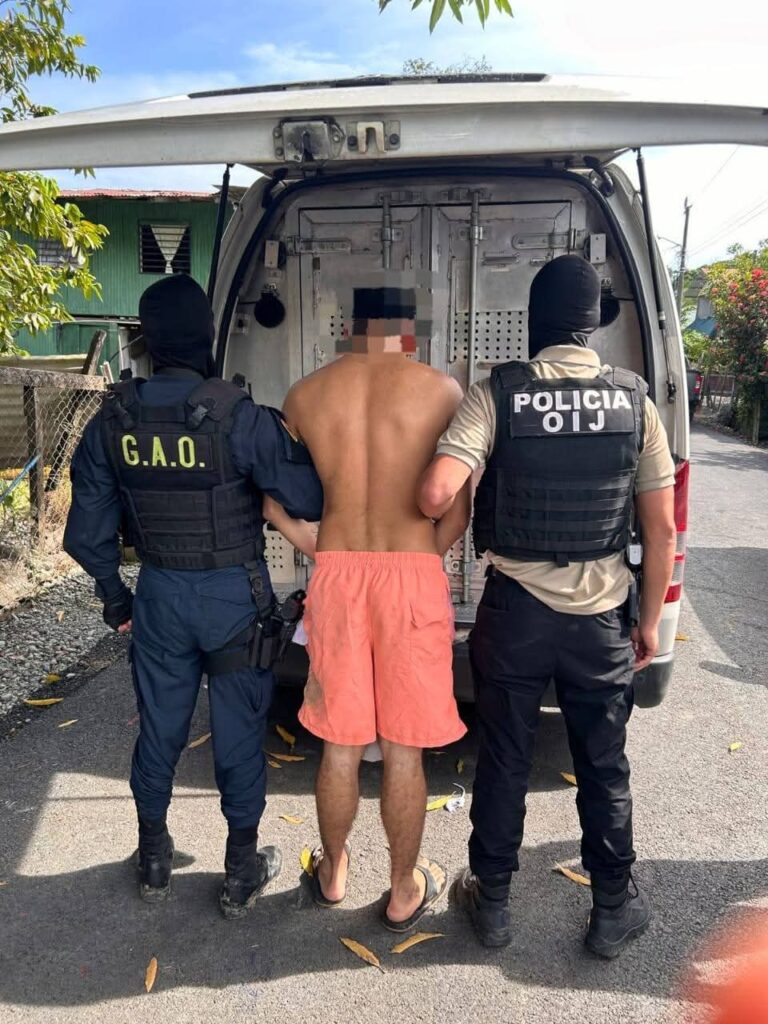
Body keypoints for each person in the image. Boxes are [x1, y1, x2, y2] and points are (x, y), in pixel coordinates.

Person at [418, 255, 677, 957]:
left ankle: (493, 904)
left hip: (515, 616)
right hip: (602, 620)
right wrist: (649, 623)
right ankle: (612, 909)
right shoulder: (635, 403)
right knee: (604, 764)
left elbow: (437, 493)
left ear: (534, 321)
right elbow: (660, 531)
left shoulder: (497, 394)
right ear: (593, 324)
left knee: (504, 758)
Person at [63, 274, 322, 919]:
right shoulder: (238, 414)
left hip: (158, 596)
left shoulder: (112, 418)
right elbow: (308, 498)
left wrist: (115, 599)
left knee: (160, 729)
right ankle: (240, 869)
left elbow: (87, 536)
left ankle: (153, 857)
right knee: (237, 733)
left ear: (148, 341)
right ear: (207, 335)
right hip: (233, 598)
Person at [283, 286, 470, 932]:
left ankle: (333, 872)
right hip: (411, 571)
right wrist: (418, 561)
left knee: (339, 744)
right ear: (408, 332)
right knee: (403, 749)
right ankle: (402, 890)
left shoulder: (305, 395)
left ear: (352, 327)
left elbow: (283, 496)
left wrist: (311, 540)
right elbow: (456, 515)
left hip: (337, 572)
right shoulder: (442, 392)